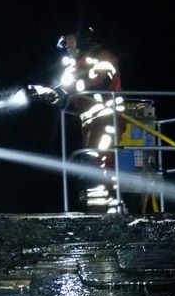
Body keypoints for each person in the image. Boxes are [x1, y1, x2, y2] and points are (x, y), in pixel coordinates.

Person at [31, 28, 126, 213]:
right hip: (90, 123)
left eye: (70, 40)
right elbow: (64, 95)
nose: (67, 45)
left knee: (93, 160)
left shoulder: (103, 57)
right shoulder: (72, 68)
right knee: (98, 163)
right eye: (65, 42)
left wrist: (67, 89)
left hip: (109, 119)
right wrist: (46, 94)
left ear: (82, 39)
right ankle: (111, 207)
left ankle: (99, 211)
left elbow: (100, 81)